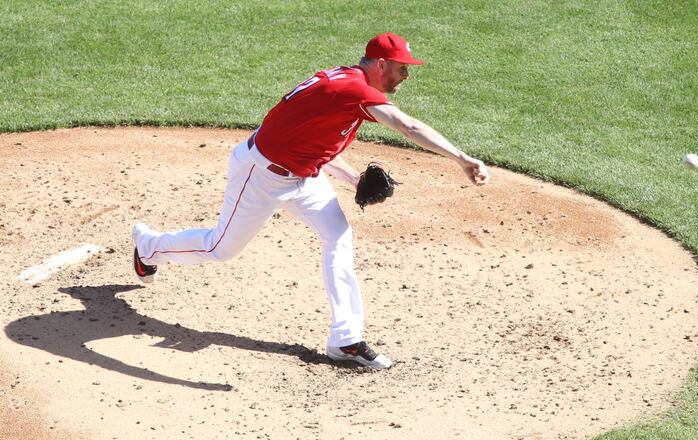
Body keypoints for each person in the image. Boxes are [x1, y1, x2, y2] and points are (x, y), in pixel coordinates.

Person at [132, 32, 490, 369]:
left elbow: (309, 137)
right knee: (220, 248)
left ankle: (345, 339)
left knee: (337, 235)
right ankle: (149, 246)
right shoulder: (352, 89)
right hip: (261, 175)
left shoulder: (346, 84)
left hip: (302, 175)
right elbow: (408, 127)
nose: (405, 76)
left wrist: (351, 179)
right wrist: (462, 158)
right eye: (401, 68)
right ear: (380, 64)